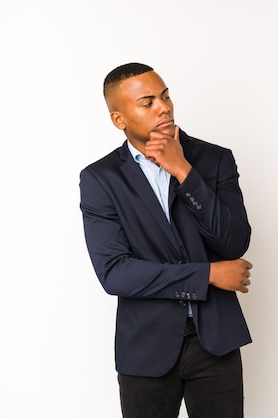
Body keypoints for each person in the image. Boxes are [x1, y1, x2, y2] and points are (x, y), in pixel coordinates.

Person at [79, 62, 253, 418]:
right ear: (119, 119)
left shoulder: (214, 159)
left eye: (165, 95)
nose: (164, 107)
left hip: (215, 343)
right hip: (146, 347)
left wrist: (184, 171)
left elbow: (234, 244)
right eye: (147, 102)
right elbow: (115, 273)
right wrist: (207, 275)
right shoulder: (100, 179)